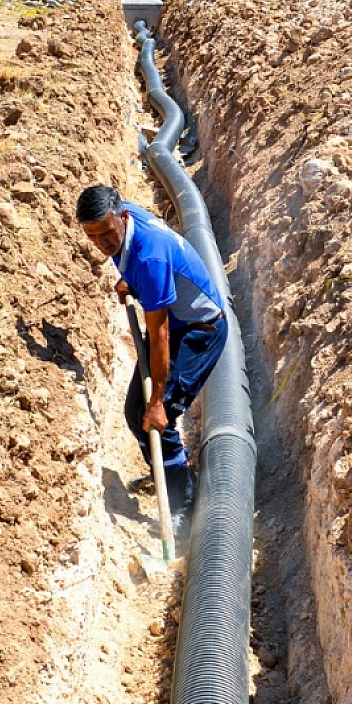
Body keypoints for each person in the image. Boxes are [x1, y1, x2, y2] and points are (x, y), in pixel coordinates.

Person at [75, 184, 228, 522]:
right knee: (136, 413)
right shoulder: (123, 218)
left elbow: (159, 334)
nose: (101, 245)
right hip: (177, 321)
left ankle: (183, 503)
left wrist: (158, 402)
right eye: (92, 236)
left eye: (107, 235)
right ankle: (168, 470)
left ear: (123, 217)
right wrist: (131, 280)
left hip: (198, 332)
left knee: (154, 420)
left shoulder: (150, 258)